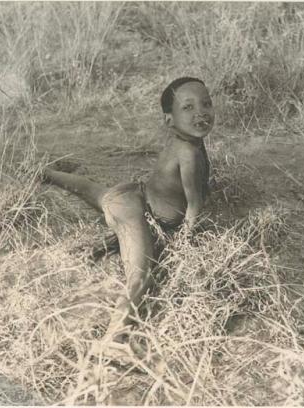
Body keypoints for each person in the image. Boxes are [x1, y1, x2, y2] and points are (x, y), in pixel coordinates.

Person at [43, 77, 214, 352]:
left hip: (133, 196)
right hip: (135, 210)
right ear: (169, 120)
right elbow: (194, 205)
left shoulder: (189, 143)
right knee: (140, 277)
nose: (201, 113)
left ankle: (46, 174)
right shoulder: (188, 153)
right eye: (188, 108)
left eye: (206, 104)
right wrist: (185, 244)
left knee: (93, 191)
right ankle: (114, 339)